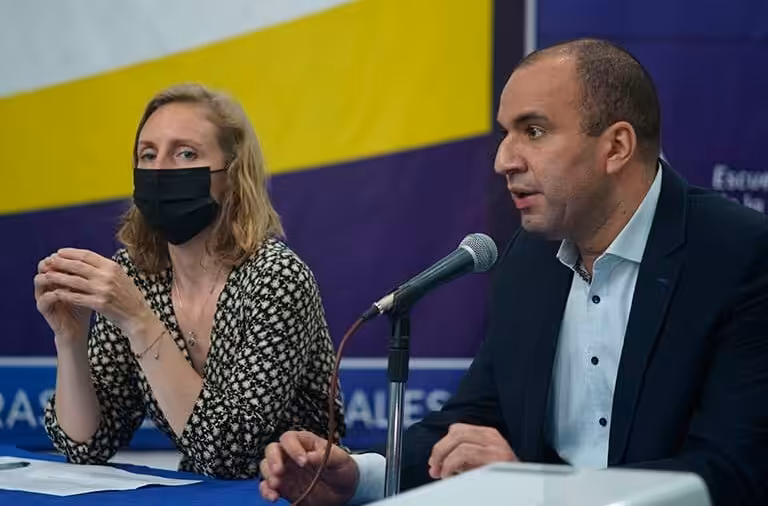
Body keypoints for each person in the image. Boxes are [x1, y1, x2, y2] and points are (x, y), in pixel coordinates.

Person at [258, 38, 768, 505]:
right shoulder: (529, 258)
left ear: (616, 147)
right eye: (506, 134)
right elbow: (475, 419)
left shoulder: (738, 255)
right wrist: (360, 476)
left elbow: (732, 473)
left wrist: (534, 485)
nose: (504, 159)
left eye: (534, 131)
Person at [36, 83, 344, 479]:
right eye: (148, 155)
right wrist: (70, 340)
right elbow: (87, 445)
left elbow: (228, 453)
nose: (160, 169)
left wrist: (140, 321)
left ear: (231, 176)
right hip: (197, 492)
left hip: (294, 493)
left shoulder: (276, 278)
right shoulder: (137, 274)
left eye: (185, 153)